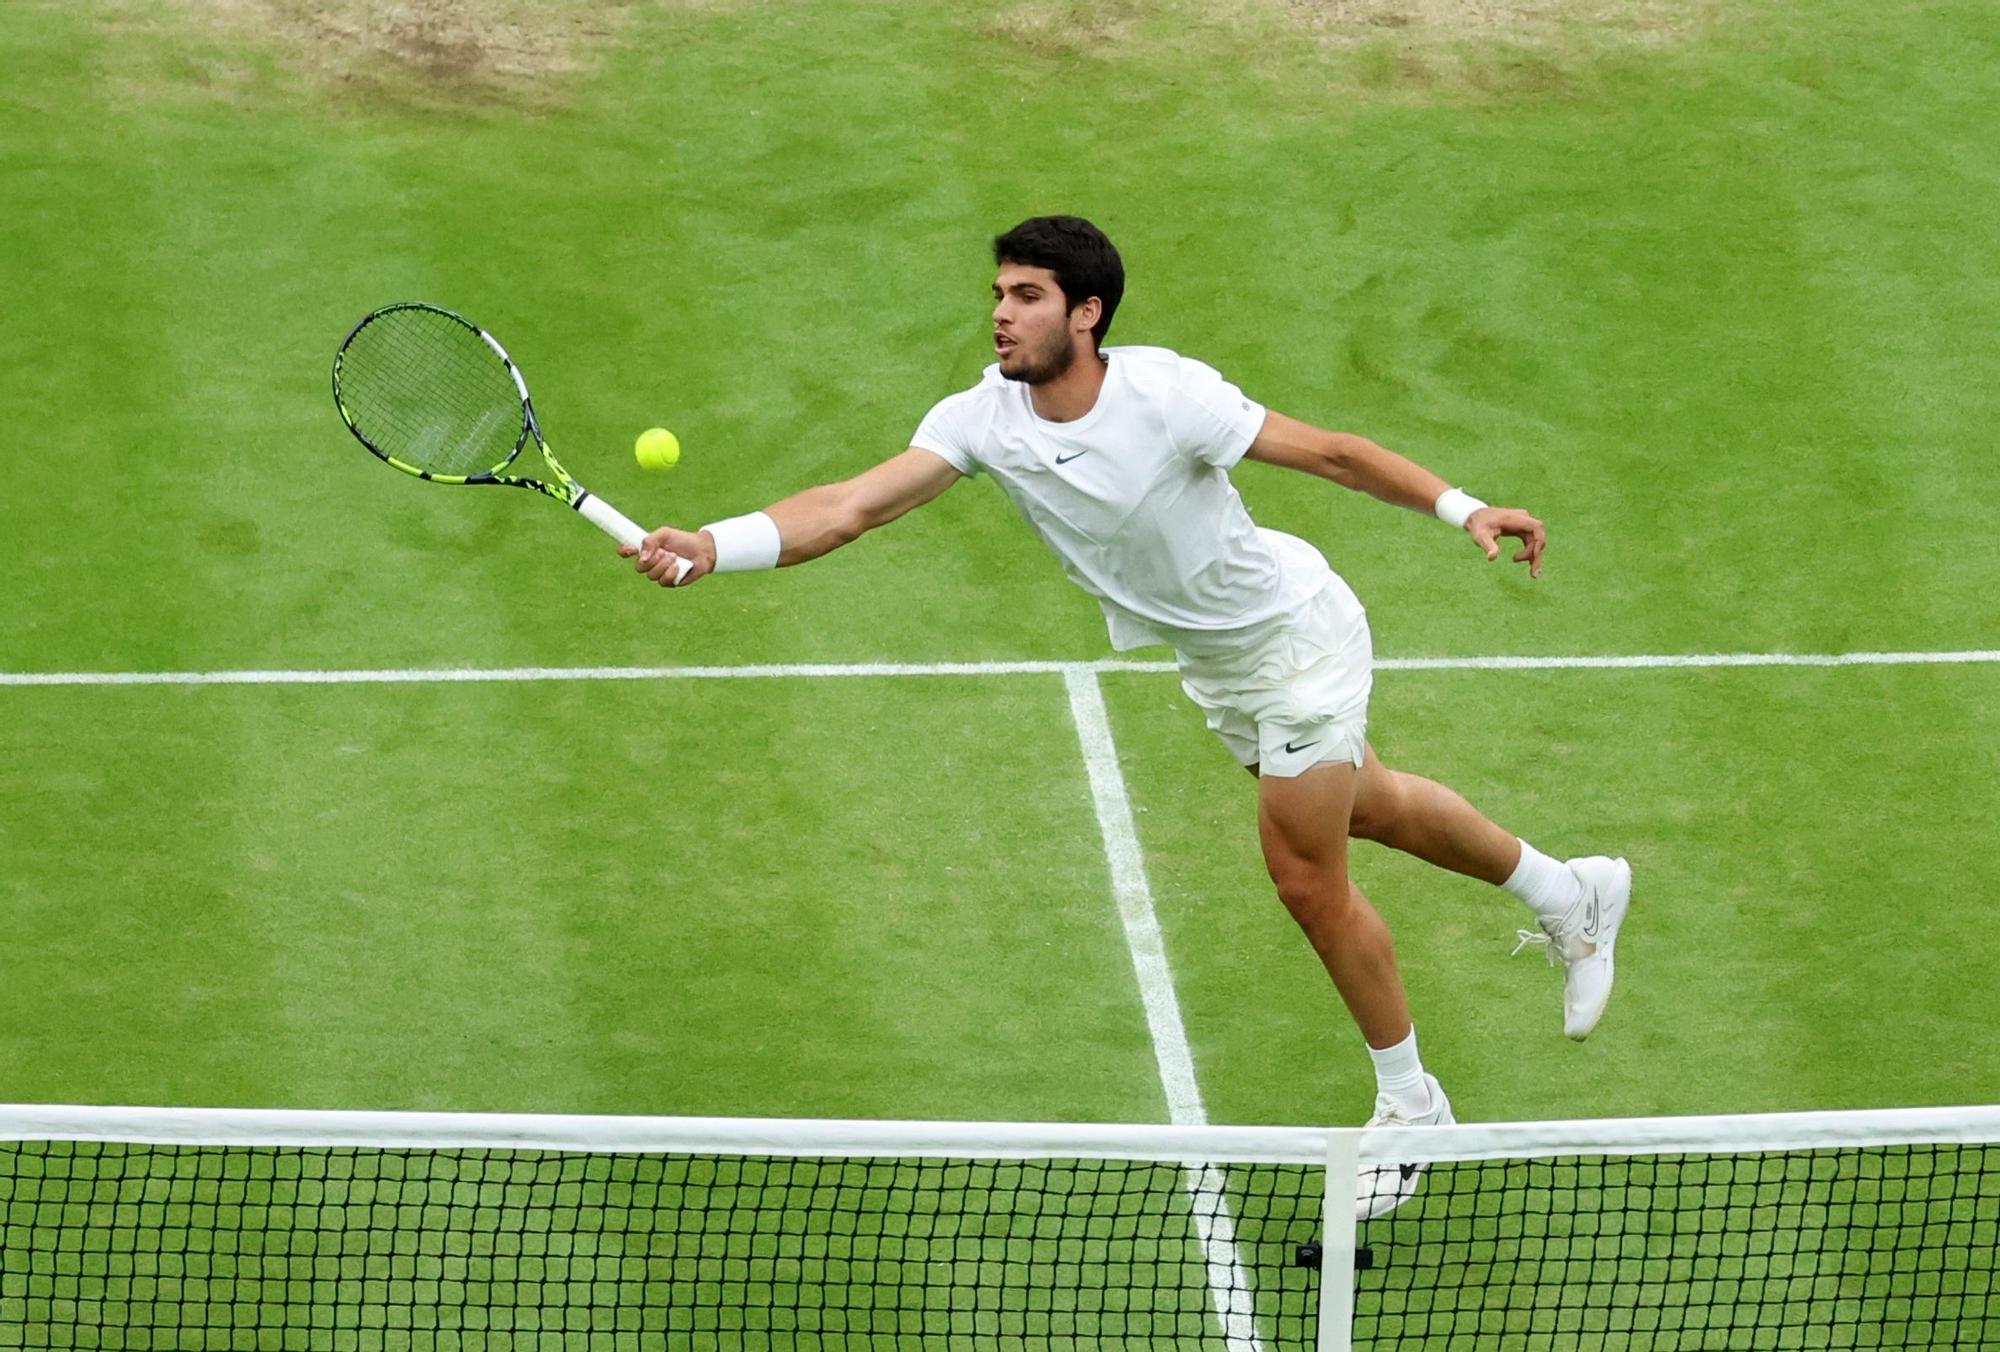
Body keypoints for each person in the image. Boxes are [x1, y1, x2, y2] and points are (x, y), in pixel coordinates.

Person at [622, 216, 1631, 1219]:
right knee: (1371, 804)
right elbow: (849, 505)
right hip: (1218, 661)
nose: (1000, 316)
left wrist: (1464, 509)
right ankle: (1566, 890)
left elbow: (1328, 454)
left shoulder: (1165, 395)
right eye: (997, 295)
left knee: (1303, 875)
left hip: (1295, 642)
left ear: (1086, 312)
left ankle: (1412, 1107)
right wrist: (715, 543)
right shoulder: (982, 417)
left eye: (1025, 296)